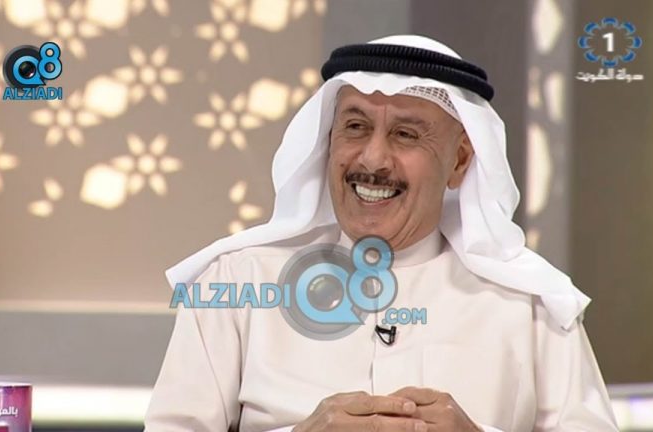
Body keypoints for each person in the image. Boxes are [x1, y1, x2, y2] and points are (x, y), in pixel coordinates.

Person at [144, 35, 618, 431]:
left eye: (406, 134)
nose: (372, 160)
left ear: (459, 162)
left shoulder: (532, 304)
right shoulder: (236, 282)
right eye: (355, 127)